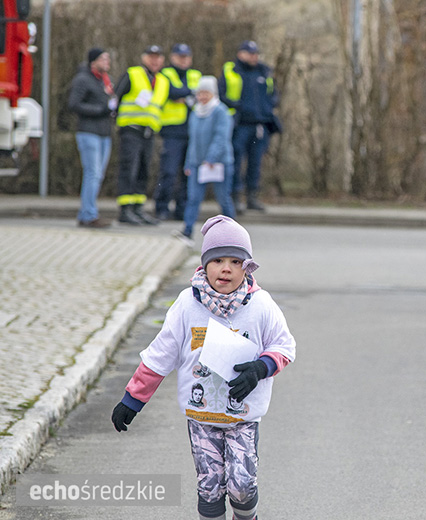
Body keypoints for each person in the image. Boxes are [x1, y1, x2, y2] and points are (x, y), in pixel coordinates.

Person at [111, 215, 296, 520]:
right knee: (210, 488)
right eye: (218, 260)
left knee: (241, 487)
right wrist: (132, 400)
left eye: (236, 262)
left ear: (247, 268)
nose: (226, 268)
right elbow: (160, 355)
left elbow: (284, 346)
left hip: (243, 418)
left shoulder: (260, 306)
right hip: (202, 416)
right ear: (205, 264)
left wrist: (260, 368)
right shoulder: (187, 305)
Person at [218, 40, 281, 213]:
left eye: (255, 53)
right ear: (240, 54)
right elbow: (221, 94)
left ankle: (252, 197)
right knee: (236, 162)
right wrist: (237, 105)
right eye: (249, 53)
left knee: (255, 162)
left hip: (260, 126)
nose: (253, 57)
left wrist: (269, 108)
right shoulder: (231, 70)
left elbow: (274, 95)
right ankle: (235, 197)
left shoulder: (264, 72)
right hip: (239, 125)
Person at [174, 76, 236, 244]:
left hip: (219, 163)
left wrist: (211, 158)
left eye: (205, 93)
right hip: (197, 164)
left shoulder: (221, 112)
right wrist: (189, 162)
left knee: (223, 198)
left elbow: (221, 138)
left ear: (213, 93)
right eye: (199, 93)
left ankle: (232, 234)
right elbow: (192, 141)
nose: (202, 97)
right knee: (193, 198)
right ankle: (187, 231)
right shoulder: (195, 112)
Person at [114, 45, 170, 225]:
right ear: (144, 58)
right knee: (129, 168)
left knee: (143, 171)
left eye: (158, 57)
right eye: (151, 57)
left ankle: (138, 208)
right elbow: (116, 97)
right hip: (131, 130)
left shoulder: (163, 81)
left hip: (149, 133)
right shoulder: (133, 74)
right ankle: (125, 209)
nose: (155, 61)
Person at [67, 47, 116, 228]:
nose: (107, 63)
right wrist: (99, 110)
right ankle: (88, 215)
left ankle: (86, 213)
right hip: (89, 132)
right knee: (92, 173)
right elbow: (74, 104)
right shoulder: (83, 79)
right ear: (93, 61)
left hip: (104, 133)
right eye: (103, 59)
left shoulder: (104, 81)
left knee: (98, 175)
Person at [155, 43, 202, 221]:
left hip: (192, 132)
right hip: (172, 131)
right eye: (180, 57)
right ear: (173, 57)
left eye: (186, 57)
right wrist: (188, 94)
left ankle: (182, 210)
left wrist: (186, 96)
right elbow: (172, 92)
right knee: (168, 172)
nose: (184, 61)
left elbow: (201, 95)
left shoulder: (195, 74)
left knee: (187, 174)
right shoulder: (166, 74)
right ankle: (161, 207)